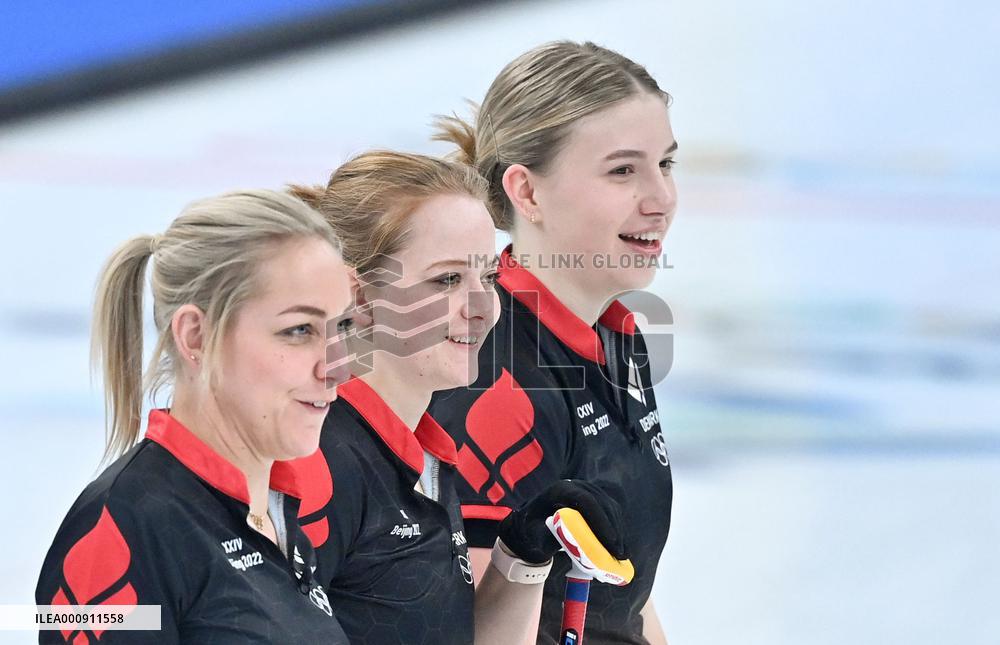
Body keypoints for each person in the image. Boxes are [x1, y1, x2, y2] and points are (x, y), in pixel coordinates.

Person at [288, 151, 628, 645]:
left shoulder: (425, 455)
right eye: (447, 280)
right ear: (359, 299)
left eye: (487, 278)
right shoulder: (321, 462)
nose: (483, 308)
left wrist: (523, 552)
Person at [429, 40, 678, 645]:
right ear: (528, 192)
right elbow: (475, 630)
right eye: (623, 170)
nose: (661, 199)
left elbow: (624, 597)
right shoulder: (495, 381)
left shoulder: (615, 331)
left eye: (666, 164)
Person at [35, 190, 353, 644]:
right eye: (298, 330)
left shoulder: (278, 513)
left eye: (341, 327)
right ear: (196, 336)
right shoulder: (120, 531)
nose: (337, 366)